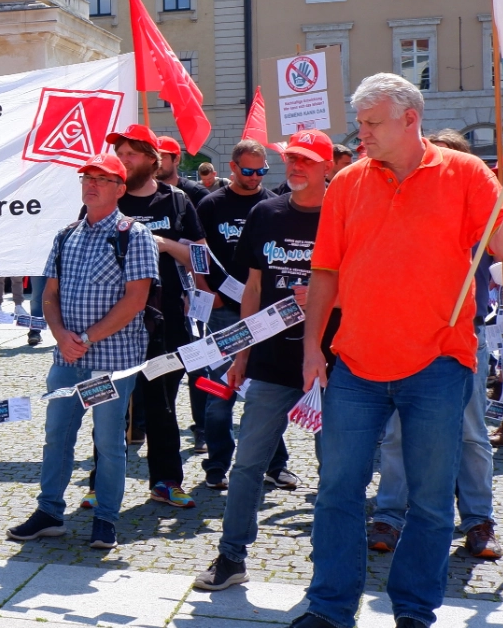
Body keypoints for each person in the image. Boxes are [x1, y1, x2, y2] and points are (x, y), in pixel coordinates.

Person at [264, 74, 503, 628]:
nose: (359, 134)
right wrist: (314, 347)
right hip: (356, 363)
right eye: (359, 123)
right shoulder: (348, 184)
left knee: (432, 501)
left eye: (370, 124)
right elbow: (326, 273)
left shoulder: (464, 174)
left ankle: (413, 614)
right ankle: (330, 611)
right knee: (337, 491)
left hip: (437, 362)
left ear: (409, 119)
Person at [192, 130, 338, 591]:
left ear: (327, 167)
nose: (295, 167)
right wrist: (241, 353)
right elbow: (252, 289)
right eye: (290, 159)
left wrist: (325, 299)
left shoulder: (346, 215)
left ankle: (331, 558)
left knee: (335, 468)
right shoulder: (266, 212)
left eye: (307, 161)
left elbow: (366, 285)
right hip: (271, 361)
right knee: (249, 462)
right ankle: (231, 555)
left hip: (333, 364)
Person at [363, 130, 503, 559]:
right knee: (398, 433)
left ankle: (478, 519)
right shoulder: (411, 206)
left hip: (463, 337)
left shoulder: (479, 210)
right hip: (406, 337)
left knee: (471, 434)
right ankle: (389, 514)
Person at [8, 153, 157, 550]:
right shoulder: (66, 234)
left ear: (120, 189)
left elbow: (135, 300)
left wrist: (86, 337)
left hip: (110, 362)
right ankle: (49, 512)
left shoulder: (133, 234)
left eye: (102, 179)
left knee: (109, 442)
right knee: (56, 437)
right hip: (66, 360)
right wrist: (60, 335)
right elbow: (50, 295)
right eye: (86, 177)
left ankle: (106, 518)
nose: (90, 184)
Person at [111, 123, 206, 509]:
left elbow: (200, 257)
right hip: (115, 320)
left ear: (152, 159)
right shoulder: (107, 198)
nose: (123, 159)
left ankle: (166, 481)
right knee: (111, 406)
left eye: (131, 153)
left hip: (166, 318)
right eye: (120, 153)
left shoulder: (178, 201)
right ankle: (102, 485)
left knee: (163, 403)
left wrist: (167, 245)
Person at [191, 139, 279, 490]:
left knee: (268, 391)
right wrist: (204, 291)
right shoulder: (211, 205)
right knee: (221, 390)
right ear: (232, 167)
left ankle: (275, 462)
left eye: (261, 171)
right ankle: (217, 464)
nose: (255, 177)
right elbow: (198, 252)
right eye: (248, 171)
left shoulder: (272, 204)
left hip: (265, 312)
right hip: (223, 310)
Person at [158, 137, 210, 205]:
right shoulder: (144, 194)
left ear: (176, 160)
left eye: (163, 157)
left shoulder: (197, 194)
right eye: (153, 156)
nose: (157, 161)